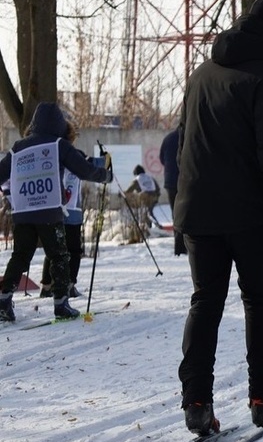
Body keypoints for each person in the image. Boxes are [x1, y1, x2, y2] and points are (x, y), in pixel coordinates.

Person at [175, 0, 263, 436]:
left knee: (204, 303)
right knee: (260, 302)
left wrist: (180, 212)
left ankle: (196, 403)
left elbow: (182, 145)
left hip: (199, 213)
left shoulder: (201, 73)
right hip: (251, 216)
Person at [0, 102, 112, 322]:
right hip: (49, 210)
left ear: (34, 124)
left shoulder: (17, 148)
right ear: (60, 125)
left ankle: (3, 300)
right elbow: (83, 169)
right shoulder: (59, 145)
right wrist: (105, 176)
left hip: (23, 212)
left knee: (20, 255)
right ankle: (61, 304)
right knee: (59, 255)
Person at [39, 121, 105, 299]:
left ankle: (47, 286)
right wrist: (105, 161)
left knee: (54, 250)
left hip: (52, 208)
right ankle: (69, 284)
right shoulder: (75, 154)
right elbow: (91, 166)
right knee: (74, 250)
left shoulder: (49, 152)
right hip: (71, 210)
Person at [159, 128, 186, 255]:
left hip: (170, 182)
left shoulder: (168, 138)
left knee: (175, 215)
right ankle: (183, 246)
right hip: (184, 181)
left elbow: (161, 159)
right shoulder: (187, 137)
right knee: (186, 214)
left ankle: (178, 247)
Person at [125, 164, 162, 229]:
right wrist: (156, 196)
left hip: (144, 197)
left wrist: (123, 193)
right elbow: (157, 188)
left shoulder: (137, 179)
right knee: (148, 212)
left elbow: (129, 190)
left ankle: (157, 225)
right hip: (154, 197)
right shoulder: (150, 177)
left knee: (147, 213)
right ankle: (150, 227)